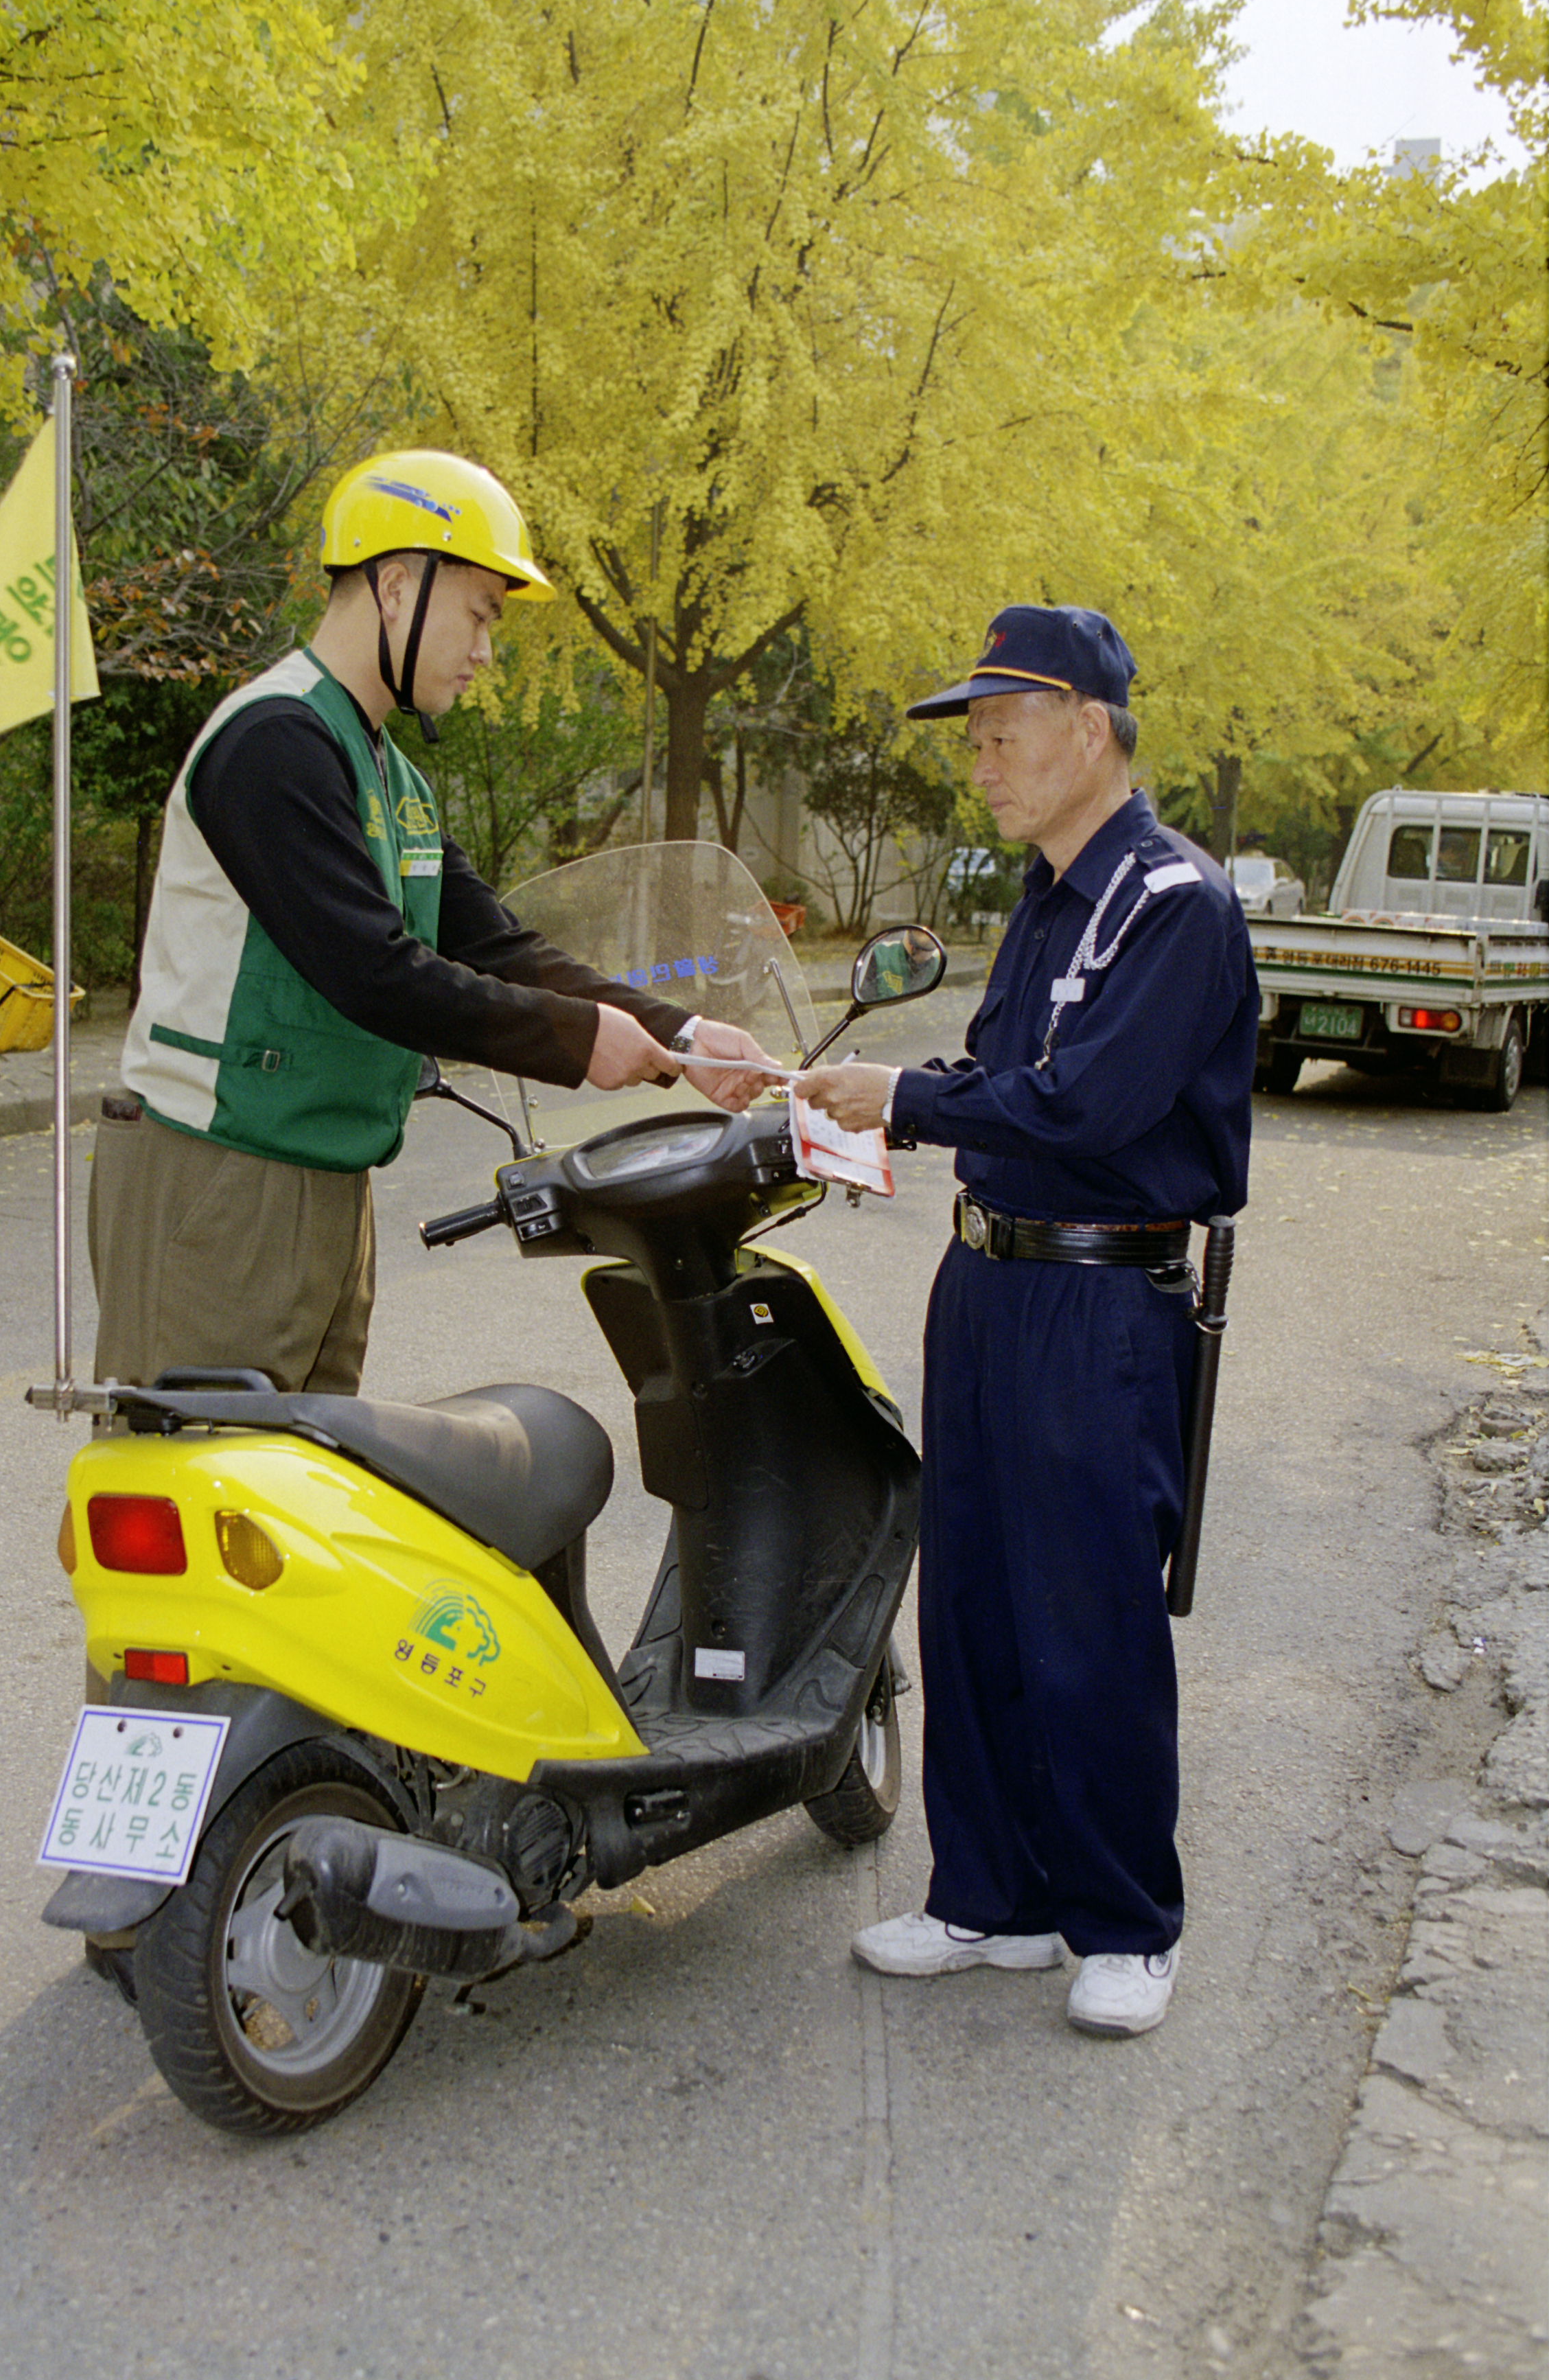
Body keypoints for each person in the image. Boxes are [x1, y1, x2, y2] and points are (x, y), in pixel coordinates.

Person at [794, 605, 1257, 2037]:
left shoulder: (1170, 903)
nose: (981, 756)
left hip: (1096, 1295)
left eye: (1002, 727)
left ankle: (1122, 1920)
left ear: (1087, 724)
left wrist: (908, 1101)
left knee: (1088, 1612)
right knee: (979, 1592)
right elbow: (1005, 1067)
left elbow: (1084, 1104)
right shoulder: (1051, 897)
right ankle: (988, 1893)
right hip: (989, 1282)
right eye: (976, 734)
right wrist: (866, 1088)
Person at [90, 447, 774, 1395]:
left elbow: (492, 942)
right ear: (397, 583)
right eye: (481, 613)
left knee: (298, 1503)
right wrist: (577, 1041)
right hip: (223, 1175)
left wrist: (682, 1035)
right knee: (195, 1491)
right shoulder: (273, 742)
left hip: (324, 1178)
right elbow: (373, 970)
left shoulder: (391, 778)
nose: (487, 650)